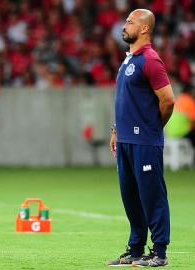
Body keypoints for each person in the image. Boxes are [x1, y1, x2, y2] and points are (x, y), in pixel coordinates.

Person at [108, 9, 175, 267]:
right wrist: (117, 130)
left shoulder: (150, 60)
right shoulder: (128, 60)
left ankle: (159, 252)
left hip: (144, 141)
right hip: (125, 141)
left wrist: (152, 128)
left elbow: (168, 101)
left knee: (152, 196)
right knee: (131, 197)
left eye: (130, 22)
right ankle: (135, 249)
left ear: (144, 29)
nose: (124, 26)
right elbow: (127, 102)